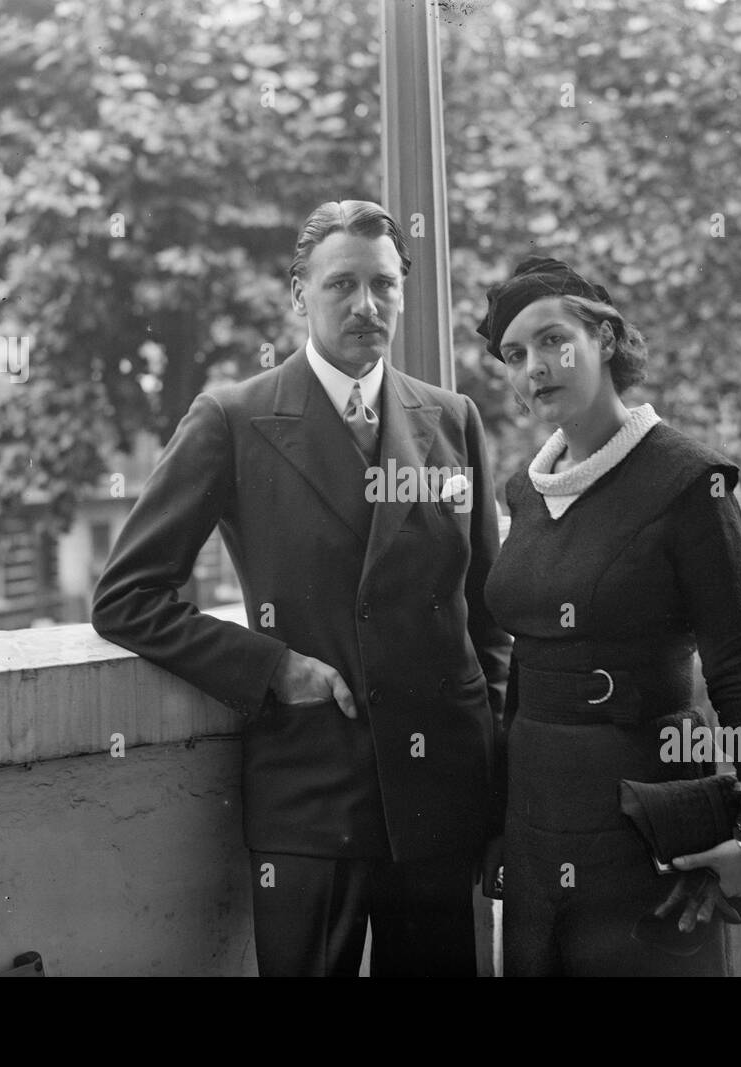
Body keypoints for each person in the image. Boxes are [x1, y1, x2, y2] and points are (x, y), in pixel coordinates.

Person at [92, 200, 511, 977]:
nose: (366, 306)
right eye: (342, 285)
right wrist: (272, 667)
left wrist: (495, 788)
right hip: (314, 798)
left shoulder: (452, 420)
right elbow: (126, 597)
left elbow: (487, 622)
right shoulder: (233, 418)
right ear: (298, 296)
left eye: (384, 285)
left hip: (441, 799)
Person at [476, 256, 741, 976]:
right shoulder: (524, 492)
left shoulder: (688, 483)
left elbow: (738, 669)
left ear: (606, 339)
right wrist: (499, 825)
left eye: (554, 341)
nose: (535, 369)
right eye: (515, 356)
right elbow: (520, 667)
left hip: (645, 822)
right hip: (533, 826)